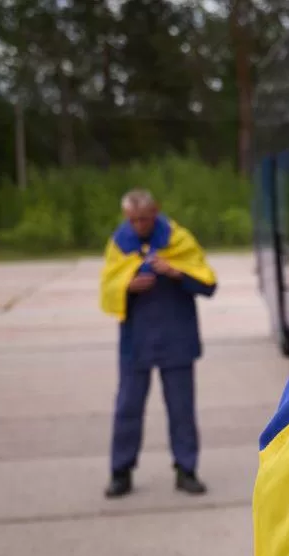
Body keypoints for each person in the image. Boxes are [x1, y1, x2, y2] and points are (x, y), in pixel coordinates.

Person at [99, 189, 217, 498]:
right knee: (127, 407)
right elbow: (108, 287)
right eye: (133, 220)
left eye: (145, 219)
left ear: (157, 212)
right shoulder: (119, 243)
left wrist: (176, 273)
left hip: (176, 339)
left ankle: (186, 469)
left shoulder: (179, 239)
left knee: (181, 409)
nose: (139, 225)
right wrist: (128, 286)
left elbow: (208, 284)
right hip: (136, 342)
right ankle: (120, 471)